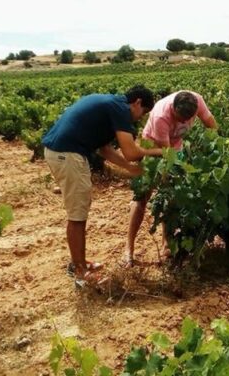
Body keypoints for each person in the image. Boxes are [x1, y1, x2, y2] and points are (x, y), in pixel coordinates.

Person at [42, 85, 163, 287]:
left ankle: (79, 262)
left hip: (63, 152)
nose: (140, 118)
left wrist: (129, 168)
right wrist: (160, 152)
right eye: (143, 113)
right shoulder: (120, 109)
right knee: (77, 214)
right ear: (138, 103)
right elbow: (132, 152)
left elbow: (104, 150)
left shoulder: (111, 105)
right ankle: (80, 273)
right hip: (68, 154)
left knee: (80, 208)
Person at [124, 90, 218, 266]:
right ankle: (128, 249)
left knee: (172, 195)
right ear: (173, 108)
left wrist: (217, 147)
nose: (183, 122)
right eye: (179, 118)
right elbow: (167, 156)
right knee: (142, 198)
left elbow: (211, 126)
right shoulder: (161, 115)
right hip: (154, 149)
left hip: (176, 150)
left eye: (187, 119)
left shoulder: (198, 100)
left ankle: (166, 243)